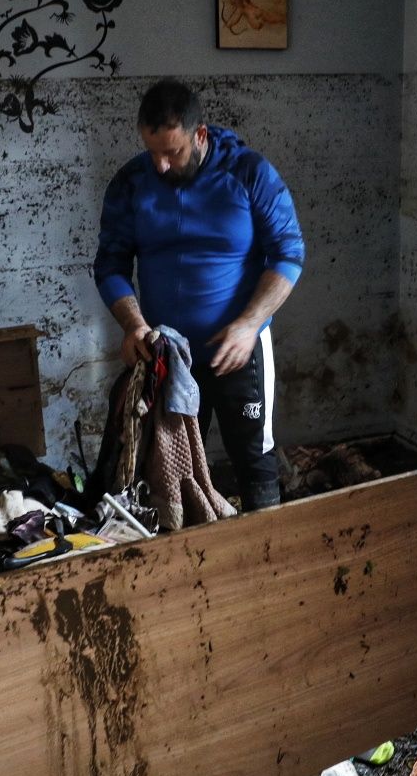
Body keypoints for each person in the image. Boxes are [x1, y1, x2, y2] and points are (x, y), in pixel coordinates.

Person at [93, 79, 305, 510]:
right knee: (167, 468)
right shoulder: (132, 182)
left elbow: (288, 253)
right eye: (152, 152)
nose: (162, 165)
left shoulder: (248, 173)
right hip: (168, 354)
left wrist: (248, 325)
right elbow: (110, 264)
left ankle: (269, 559)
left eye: (172, 152)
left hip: (238, 351)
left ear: (200, 134)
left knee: (254, 460)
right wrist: (134, 325)